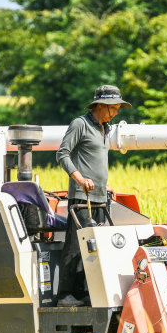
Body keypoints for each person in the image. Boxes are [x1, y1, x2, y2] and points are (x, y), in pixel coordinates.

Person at [55, 85, 131, 307]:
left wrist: (103, 186)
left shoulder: (104, 129)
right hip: (81, 197)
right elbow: (62, 154)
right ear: (100, 105)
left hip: (98, 197)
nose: (116, 112)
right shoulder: (80, 124)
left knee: (94, 248)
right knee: (74, 247)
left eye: (117, 108)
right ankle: (65, 296)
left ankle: (87, 294)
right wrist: (80, 179)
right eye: (113, 108)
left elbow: (96, 163)